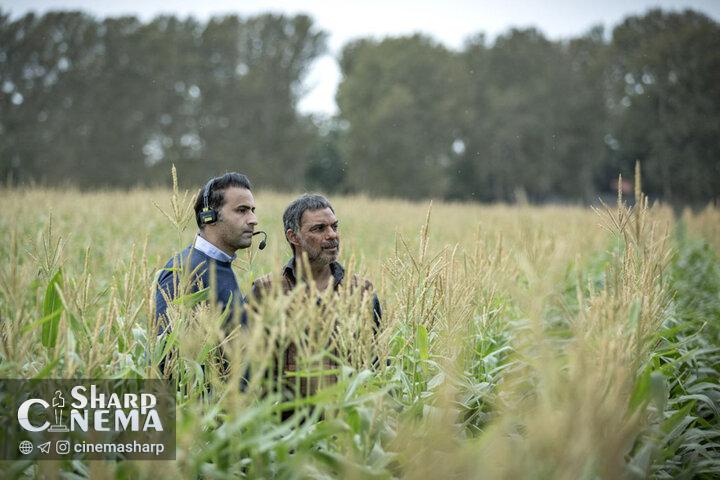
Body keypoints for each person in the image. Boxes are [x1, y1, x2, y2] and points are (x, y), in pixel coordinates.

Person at [251, 194, 381, 399]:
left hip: (347, 420)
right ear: (293, 237)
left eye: (334, 227)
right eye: (319, 229)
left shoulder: (360, 292)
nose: (332, 235)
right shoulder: (267, 291)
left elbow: (376, 365)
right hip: (285, 424)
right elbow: (248, 364)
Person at [155, 172, 259, 348]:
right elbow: (163, 358)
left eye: (252, 211)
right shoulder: (184, 272)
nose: (253, 220)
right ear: (208, 216)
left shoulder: (220, 265)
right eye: (242, 210)